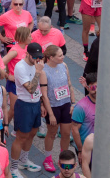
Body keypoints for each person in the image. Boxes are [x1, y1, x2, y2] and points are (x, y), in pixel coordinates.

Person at [10, 43, 49, 178]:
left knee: (32, 133)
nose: (37, 60)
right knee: (21, 137)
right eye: (34, 57)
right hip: (24, 105)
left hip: (35, 104)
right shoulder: (20, 67)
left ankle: (23, 160)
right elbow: (31, 88)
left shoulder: (36, 64)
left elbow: (37, 89)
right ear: (27, 54)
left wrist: (42, 104)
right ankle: (13, 168)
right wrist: (38, 71)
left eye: (39, 57)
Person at [42, 45, 74, 173]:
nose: (63, 57)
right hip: (53, 106)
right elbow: (44, 94)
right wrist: (50, 114)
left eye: (62, 54)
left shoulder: (64, 65)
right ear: (50, 58)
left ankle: (63, 158)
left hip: (66, 104)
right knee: (52, 133)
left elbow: (70, 84)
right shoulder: (44, 71)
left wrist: (73, 103)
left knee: (66, 133)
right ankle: (48, 158)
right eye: (60, 55)